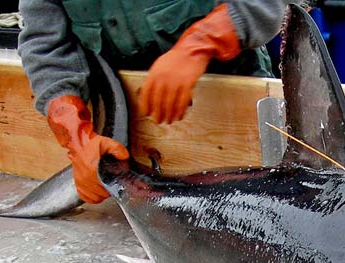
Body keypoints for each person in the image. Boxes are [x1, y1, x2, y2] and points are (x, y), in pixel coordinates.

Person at [18, 0, 288, 203]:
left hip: (233, 106)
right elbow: (45, 45)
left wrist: (200, 42)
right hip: (130, 127)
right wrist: (76, 138)